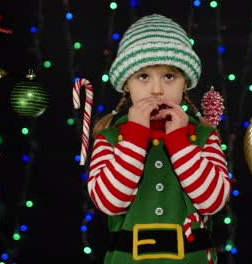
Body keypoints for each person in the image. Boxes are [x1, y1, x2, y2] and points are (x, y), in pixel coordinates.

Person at [87, 14, 231, 264]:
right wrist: (135, 135)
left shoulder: (204, 136)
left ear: (184, 82)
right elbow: (109, 203)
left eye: (169, 76)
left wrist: (179, 140)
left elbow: (213, 202)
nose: (156, 89)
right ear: (127, 85)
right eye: (143, 76)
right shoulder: (110, 138)